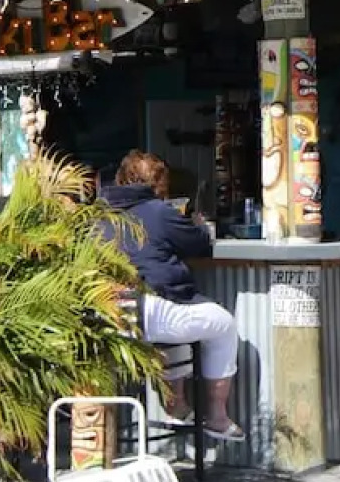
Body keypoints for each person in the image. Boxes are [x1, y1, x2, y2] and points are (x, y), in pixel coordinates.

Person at [100, 150, 244, 442]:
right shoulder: (159, 211)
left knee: (177, 323)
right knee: (223, 323)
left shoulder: (100, 215)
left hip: (112, 319)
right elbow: (198, 243)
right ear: (157, 183)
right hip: (150, 312)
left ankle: (175, 402)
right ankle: (217, 415)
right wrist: (201, 225)